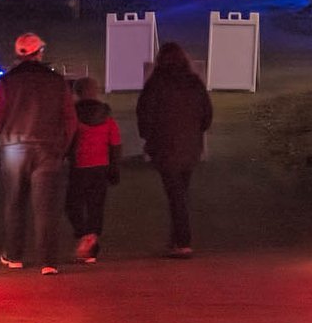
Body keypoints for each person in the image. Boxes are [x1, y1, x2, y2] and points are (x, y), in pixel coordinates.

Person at [0, 32, 77, 273]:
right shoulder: (56, 81)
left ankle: (14, 255)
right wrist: (62, 146)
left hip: (13, 148)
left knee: (14, 202)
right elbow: (69, 118)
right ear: (39, 52)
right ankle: (48, 261)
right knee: (46, 206)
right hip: (47, 147)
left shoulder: (8, 82)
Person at [135, 42, 213, 257]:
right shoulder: (194, 83)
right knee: (180, 193)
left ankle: (182, 241)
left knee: (175, 194)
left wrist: (148, 137)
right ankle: (177, 239)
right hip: (190, 147)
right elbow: (207, 114)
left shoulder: (155, 84)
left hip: (164, 146)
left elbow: (144, 113)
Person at [65, 77, 121, 263]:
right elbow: (115, 144)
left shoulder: (73, 115)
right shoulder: (106, 116)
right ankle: (91, 240)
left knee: (73, 205)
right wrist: (114, 168)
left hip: (80, 166)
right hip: (101, 167)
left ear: (78, 93)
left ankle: (84, 236)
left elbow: (69, 140)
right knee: (95, 206)